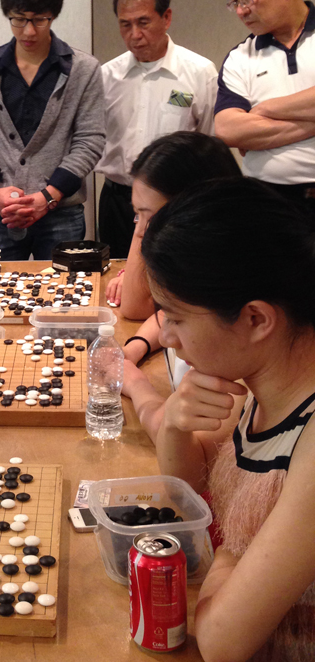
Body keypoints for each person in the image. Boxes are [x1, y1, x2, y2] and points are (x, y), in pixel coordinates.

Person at [144, 178, 315, 662]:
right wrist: (173, 425)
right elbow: (187, 493)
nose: (166, 335)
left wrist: (232, 550)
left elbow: (219, 640)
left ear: (256, 319)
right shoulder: (258, 386)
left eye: (176, 316)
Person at [101, 132, 240, 441]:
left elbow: (193, 447)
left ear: (196, 210)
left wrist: (136, 384)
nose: (139, 230)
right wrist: (136, 347)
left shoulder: (232, 297)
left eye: (149, 217)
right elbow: (154, 311)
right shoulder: (205, 268)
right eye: (136, 215)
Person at [0, 0, 105, 260]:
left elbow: (90, 141)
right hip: (4, 210)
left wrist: (48, 197)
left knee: (62, 302)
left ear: (53, 16)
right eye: (18, 19)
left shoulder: (84, 70)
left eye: (39, 19)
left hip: (62, 214)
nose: (28, 31)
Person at [97, 0, 218, 257]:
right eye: (125, 25)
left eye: (143, 22)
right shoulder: (107, 76)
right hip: (118, 200)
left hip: (176, 201)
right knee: (116, 286)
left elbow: (213, 144)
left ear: (166, 17)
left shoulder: (200, 73)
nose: (134, 35)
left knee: (174, 286)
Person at [216, 0, 315, 221]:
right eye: (233, 0)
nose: (241, 10)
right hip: (266, 203)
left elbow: (246, 124)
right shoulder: (240, 56)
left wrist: (264, 110)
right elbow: (228, 130)